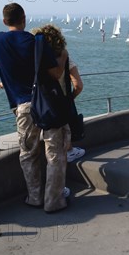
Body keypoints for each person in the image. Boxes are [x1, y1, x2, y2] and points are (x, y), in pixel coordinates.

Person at [0, 3, 70, 213]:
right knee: (54, 154)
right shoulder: (36, 41)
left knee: (28, 154)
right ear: (24, 19)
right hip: (47, 106)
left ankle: (34, 197)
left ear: (4, 21)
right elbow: (55, 75)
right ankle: (53, 202)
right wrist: (63, 57)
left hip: (23, 108)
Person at [29, 24, 85, 163]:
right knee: (58, 145)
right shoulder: (64, 57)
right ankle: (69, 153)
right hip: (58, 104)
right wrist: (69, 98)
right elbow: (78, 85)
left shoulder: (35, 59)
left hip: (36, 103)